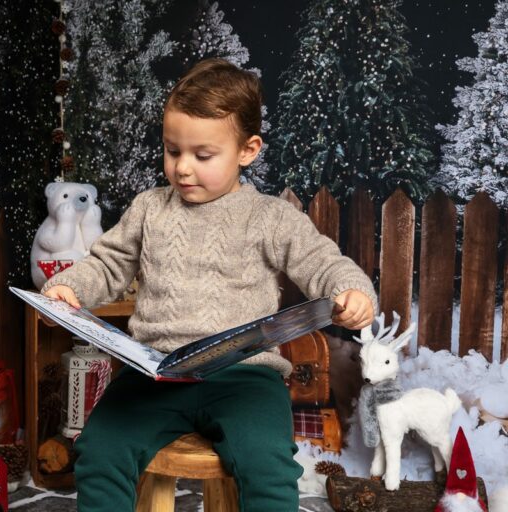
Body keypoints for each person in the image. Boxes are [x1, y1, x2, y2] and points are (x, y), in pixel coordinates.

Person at [41, 58, 377, 511]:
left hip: (244, 378)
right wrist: (72, 288)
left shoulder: (269, 217)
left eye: (202, 156)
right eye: (171, 150)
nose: (182, 168)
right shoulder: (149, 208)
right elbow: (108, 263)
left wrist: (352, 291)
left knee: (267, 464)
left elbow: (322, 261)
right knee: (100, 450)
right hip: (155, 373)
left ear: (247, 150)